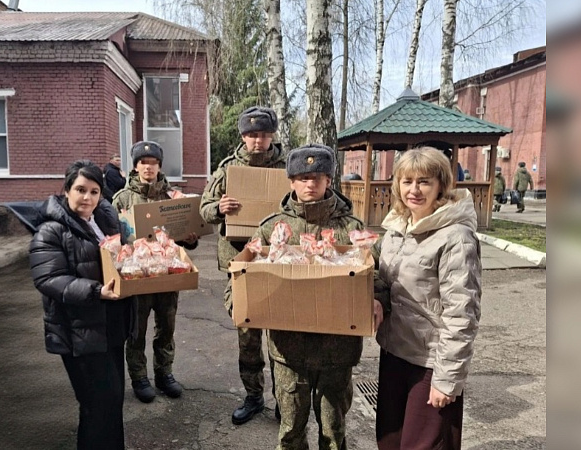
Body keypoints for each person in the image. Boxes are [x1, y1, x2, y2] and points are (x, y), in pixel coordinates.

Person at [251, 144, 387, 449]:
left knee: (333, 433)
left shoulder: (350, 229)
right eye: (302, 177)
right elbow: (245, 274)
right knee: (290, 432)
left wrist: (379, 298)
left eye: (318, 176)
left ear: (329, 180)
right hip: (288, 351)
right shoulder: (273, 228)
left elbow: (375, 273)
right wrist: (241, 305)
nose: (310, 183)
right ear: (291, 181)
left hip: (336, 351)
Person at [374, 147, 481, 450]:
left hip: (430, 363)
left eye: (424, 182)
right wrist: (376, 298)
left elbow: (462, 313)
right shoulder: (396, 228)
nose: (414, 190)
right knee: (389, 441)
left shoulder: (455, 237)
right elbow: (382, 279)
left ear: (441, 185)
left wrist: (447, 379)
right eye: (407, 181)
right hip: (394, 353)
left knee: (422, 445)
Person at [29, 160, 136, 450]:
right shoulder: (50, 230)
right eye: (80, 189)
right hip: (79, 331)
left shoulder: (104, 221)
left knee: (113, 399)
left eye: (94, 191)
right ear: (66, 190)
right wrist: (96, 290)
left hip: (110, 326)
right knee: (96, 404)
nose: (87, 197)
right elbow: (49, 278)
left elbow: (123, 255)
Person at [199, 106, 287, 425]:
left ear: (272, 136)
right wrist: (218, 207)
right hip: (239, 262)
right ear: (242, 136)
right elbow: (204, 208)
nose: (257, 141)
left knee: (280, 338)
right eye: (251, 135)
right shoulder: (227, 169)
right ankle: (253, 396)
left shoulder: (286, 167)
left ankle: (284, 399)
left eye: (263, 135)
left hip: (277, 262)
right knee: (248, 334)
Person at [113, 141, 198, 403]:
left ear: (159, 166)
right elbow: (112, 238)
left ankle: (165, 374)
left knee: (166, 327)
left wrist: (191, 237)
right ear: (135, 167)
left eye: (152, 162)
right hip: (137, 275)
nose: (147, 167)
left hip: (167, 273)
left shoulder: (172, 197)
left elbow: (186, 237)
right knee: (136, 330)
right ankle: (139, 377)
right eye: (142, 162)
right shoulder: (122, 199)